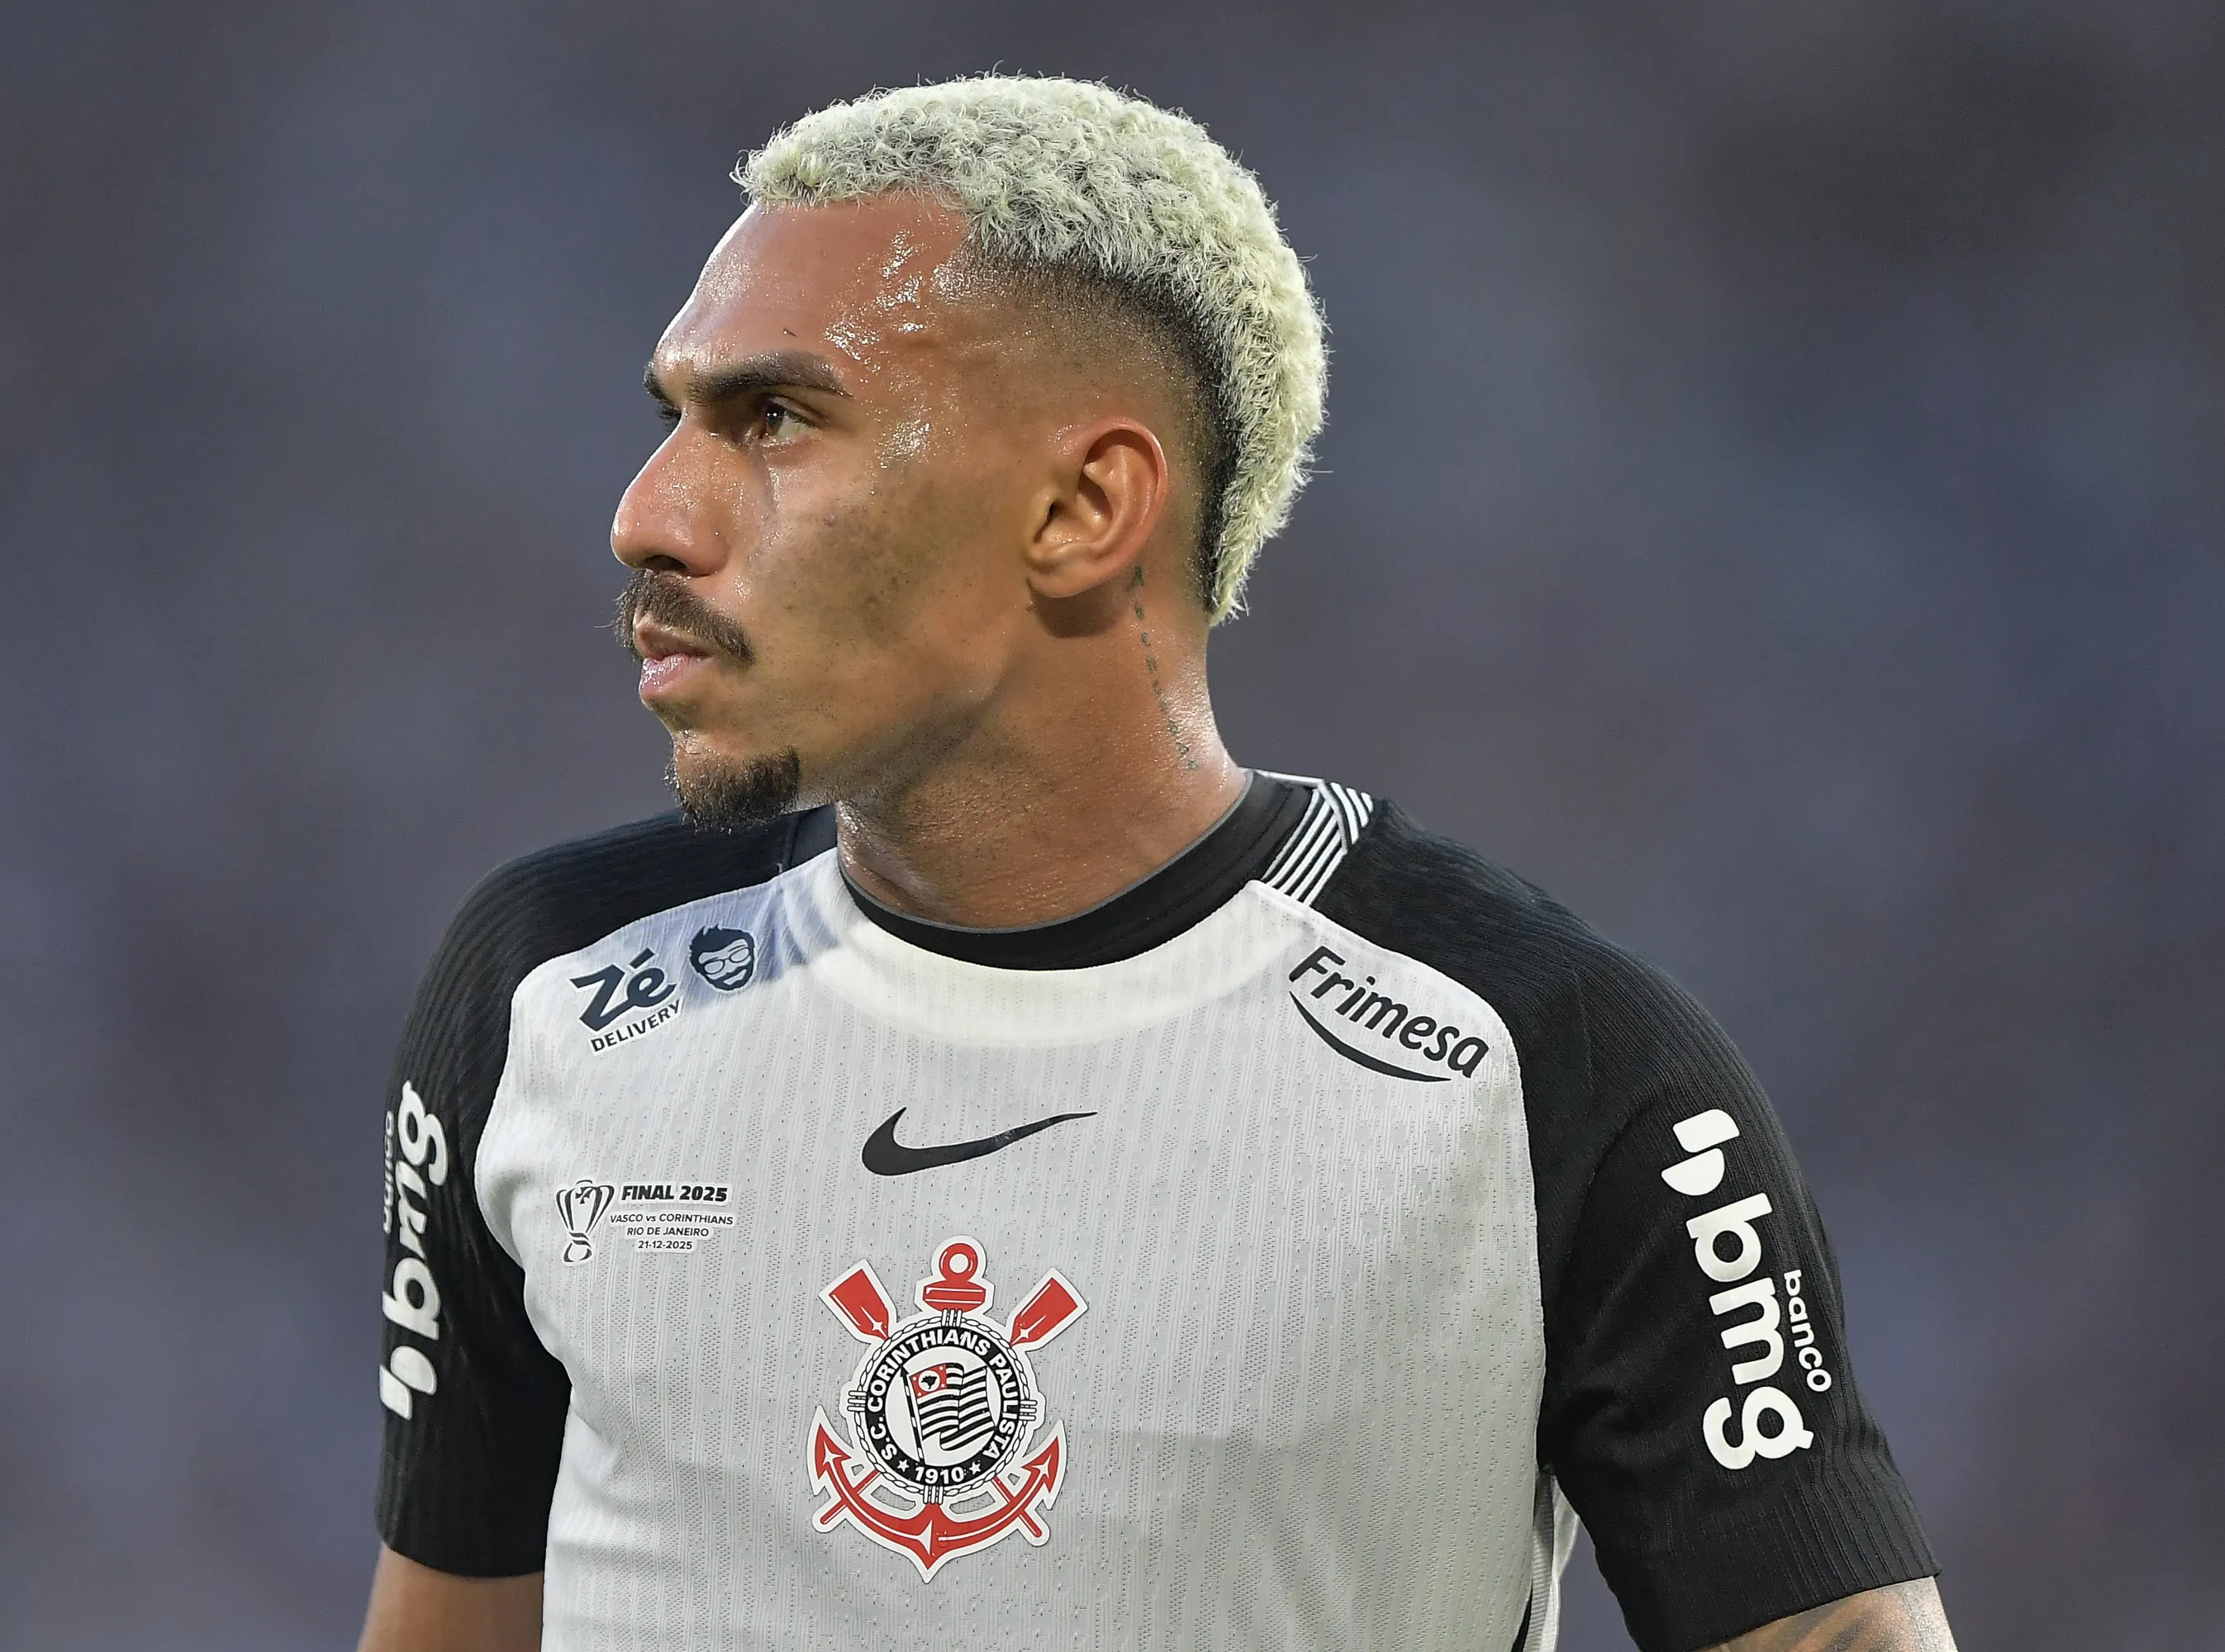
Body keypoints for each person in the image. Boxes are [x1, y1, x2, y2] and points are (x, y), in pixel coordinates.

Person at [358, 75, 1955, 1652]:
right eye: (674, 421)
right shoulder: (545, 992)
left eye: (773, 420)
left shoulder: (1555, 1072)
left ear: (1081, 505)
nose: (648, 515)